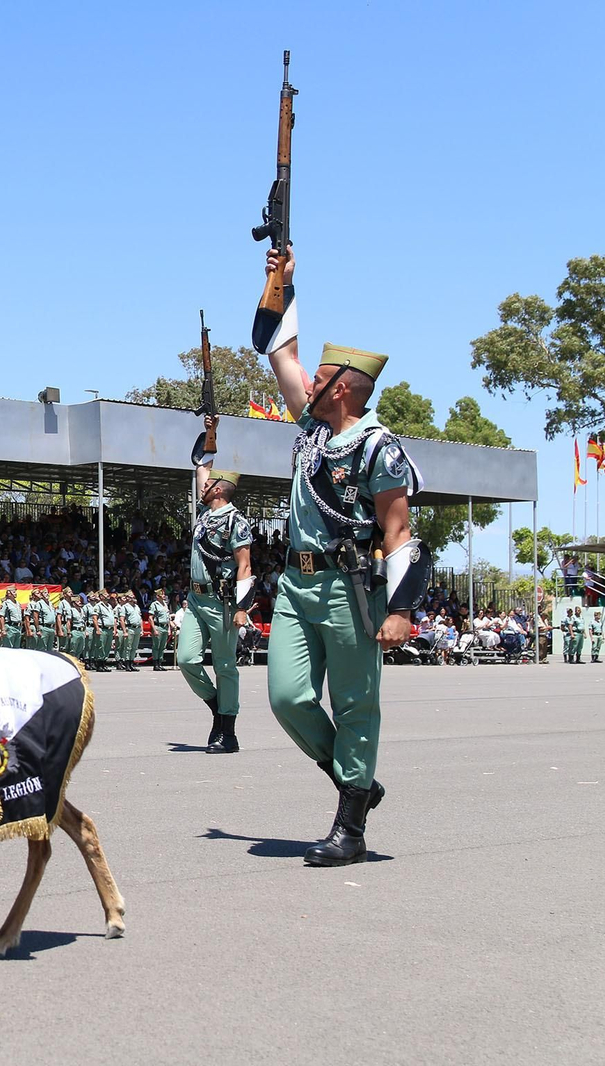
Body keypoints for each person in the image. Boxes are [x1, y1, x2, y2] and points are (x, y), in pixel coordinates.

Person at [261, 244, 421, 866]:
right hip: (296, 585)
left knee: (356, 704)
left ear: (343, 389)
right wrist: (281, 282)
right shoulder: (312, 427)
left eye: (320, 378)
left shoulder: (380, 448)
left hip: (350, 587)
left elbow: (398, 531)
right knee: (287, 697)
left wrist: (401, 609)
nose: (308, 383)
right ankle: (356, 780)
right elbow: (280, 350)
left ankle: (350, 828)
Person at [176, 453, 252, 751]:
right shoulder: (204, 515)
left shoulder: (236, 521)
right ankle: (217, 707)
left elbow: (244, 565)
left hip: (222, 602)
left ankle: (228, 732)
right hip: (196, 598)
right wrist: (208, 441)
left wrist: (242, 608)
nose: (202, 487)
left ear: (218, 489)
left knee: (225, 666)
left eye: (208, 485)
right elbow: (201, 471)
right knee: (186, 659)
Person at [148, 588, 172, 671]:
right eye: (162, 594)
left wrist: (169, 628)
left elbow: (168, 618)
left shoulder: (165, 604)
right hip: (158, 626)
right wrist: (154, 629)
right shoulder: (154, 604)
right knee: (156, 646)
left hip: (165, 627)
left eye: (164, 594)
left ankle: (160, 663)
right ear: (158, 596)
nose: (164, 596)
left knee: (162, 646)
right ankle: (155, 664)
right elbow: (150, 618)